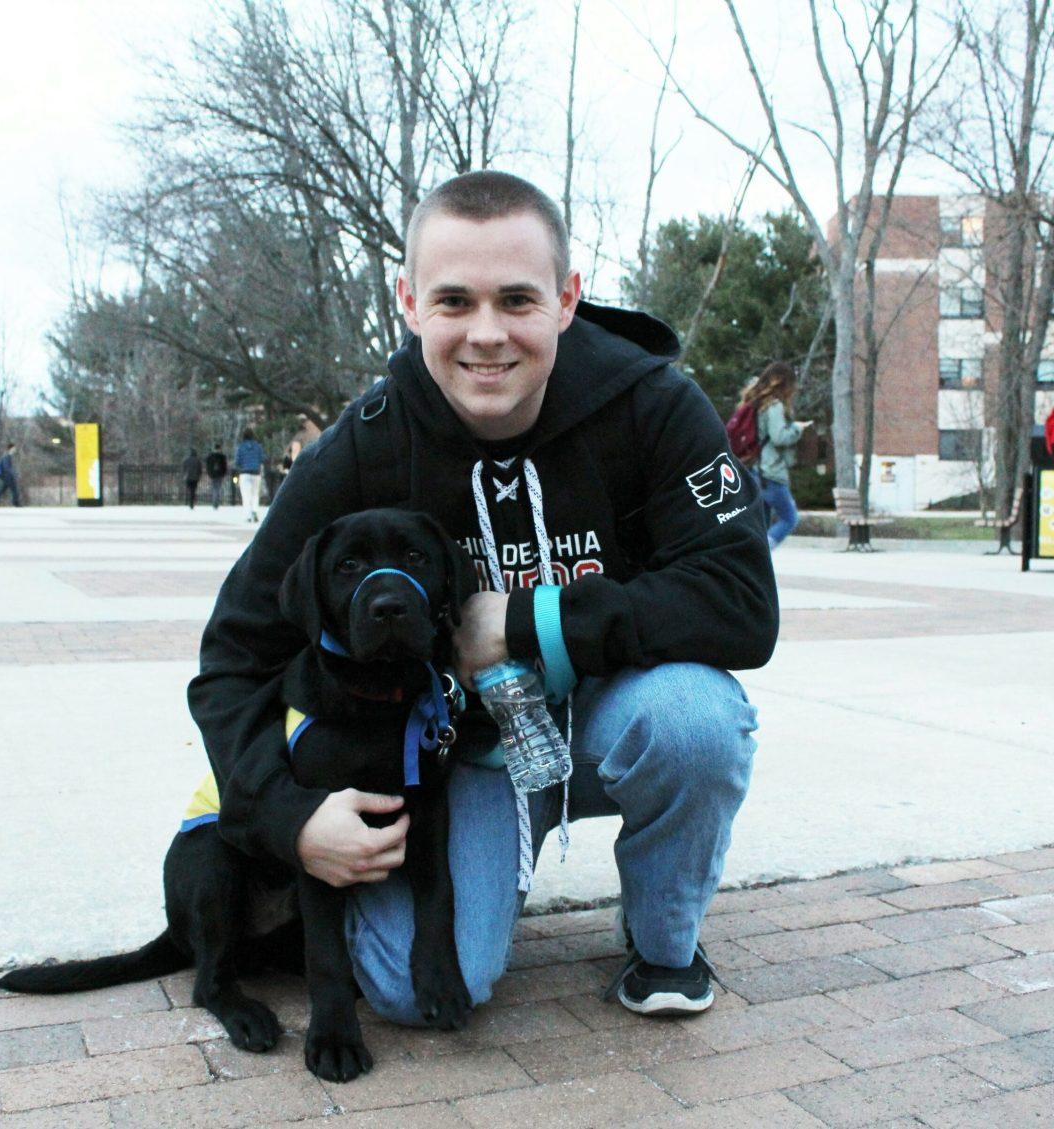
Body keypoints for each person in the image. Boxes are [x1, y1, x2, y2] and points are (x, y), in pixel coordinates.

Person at [188, 171, 776, 1026]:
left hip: (615, 713)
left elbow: (742, 602)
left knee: (696, 719)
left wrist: (524, 619)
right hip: (460, 752)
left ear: (568, 298)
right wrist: (286, 816)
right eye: (455, 301)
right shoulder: (366, 446)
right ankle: (476, 885)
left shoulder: (653, 404)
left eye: (518, 300)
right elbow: (232, 657)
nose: (488, 335)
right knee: (411, 987)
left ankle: (663, 945)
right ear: (409, 300)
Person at [741, 362, 812, 549]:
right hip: (770, 473)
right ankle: (760, 557)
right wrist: (797, 428)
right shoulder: (774, 406)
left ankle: (755, 566)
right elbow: (779, 437)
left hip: (755, 471)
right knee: (789, 518)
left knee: (761, 526)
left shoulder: (757, 404)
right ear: (784, 383)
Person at [233, 428, 265, 523]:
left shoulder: (241, 447)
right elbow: (262, 458)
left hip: (245, 473)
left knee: (246, 495)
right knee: (255, 494)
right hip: (256, 473)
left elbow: (237, 461)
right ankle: (255, 511)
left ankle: (247, 515)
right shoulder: (258, 446)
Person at [0, 443, 21, 507]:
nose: (15, 449)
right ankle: (16, 503)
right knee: (14, 489)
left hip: (6, 476)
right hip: (7, 477)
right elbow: (7, 467)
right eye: (14, 448)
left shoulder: (7, 456)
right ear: (10, 449)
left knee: (2, 490)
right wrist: (14, 474)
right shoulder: (7, 457)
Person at [204, 444, 228, 510]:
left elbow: (208, 466)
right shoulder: (222, 456)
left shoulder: (210, 456)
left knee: (214, 488)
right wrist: (224, 474)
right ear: (220, 449)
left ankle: (214, 502)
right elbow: (225, 467)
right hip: (220, 474)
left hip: (212, 475)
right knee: (218, 488)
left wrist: (209, 473)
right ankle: (216, 502)